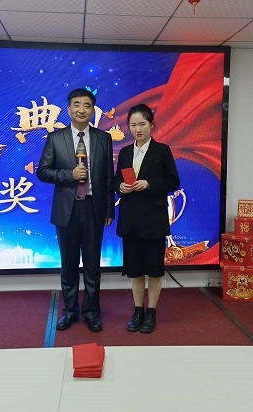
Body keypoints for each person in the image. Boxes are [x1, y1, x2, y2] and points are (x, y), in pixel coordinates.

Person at [37, 88, 115, 332]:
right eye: (77, 105)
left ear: (93, 110)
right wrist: (68, 175)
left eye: (87, 105)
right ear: (69, 109)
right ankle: (70, 311)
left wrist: (109, 210)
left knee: (92, 265)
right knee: (69, 264)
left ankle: (91, 312)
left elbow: (108, 178)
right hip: (66, 209)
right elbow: (43, 171)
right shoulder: (55, 138)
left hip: (93, 208)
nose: (82, 110)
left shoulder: (103, 138)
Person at [114, 103, 180, 333]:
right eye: (133, 125)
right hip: (130, 219)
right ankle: (138, 310)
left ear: (152, 125)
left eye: (142, 124)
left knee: (153, 269)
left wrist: (149, 183)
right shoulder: (125, 152)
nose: (138, 129)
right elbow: (116, 180)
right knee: (134, 270)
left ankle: (151, 311)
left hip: (153, 219)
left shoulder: (162, 151)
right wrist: (120, 187)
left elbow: (173, 181)